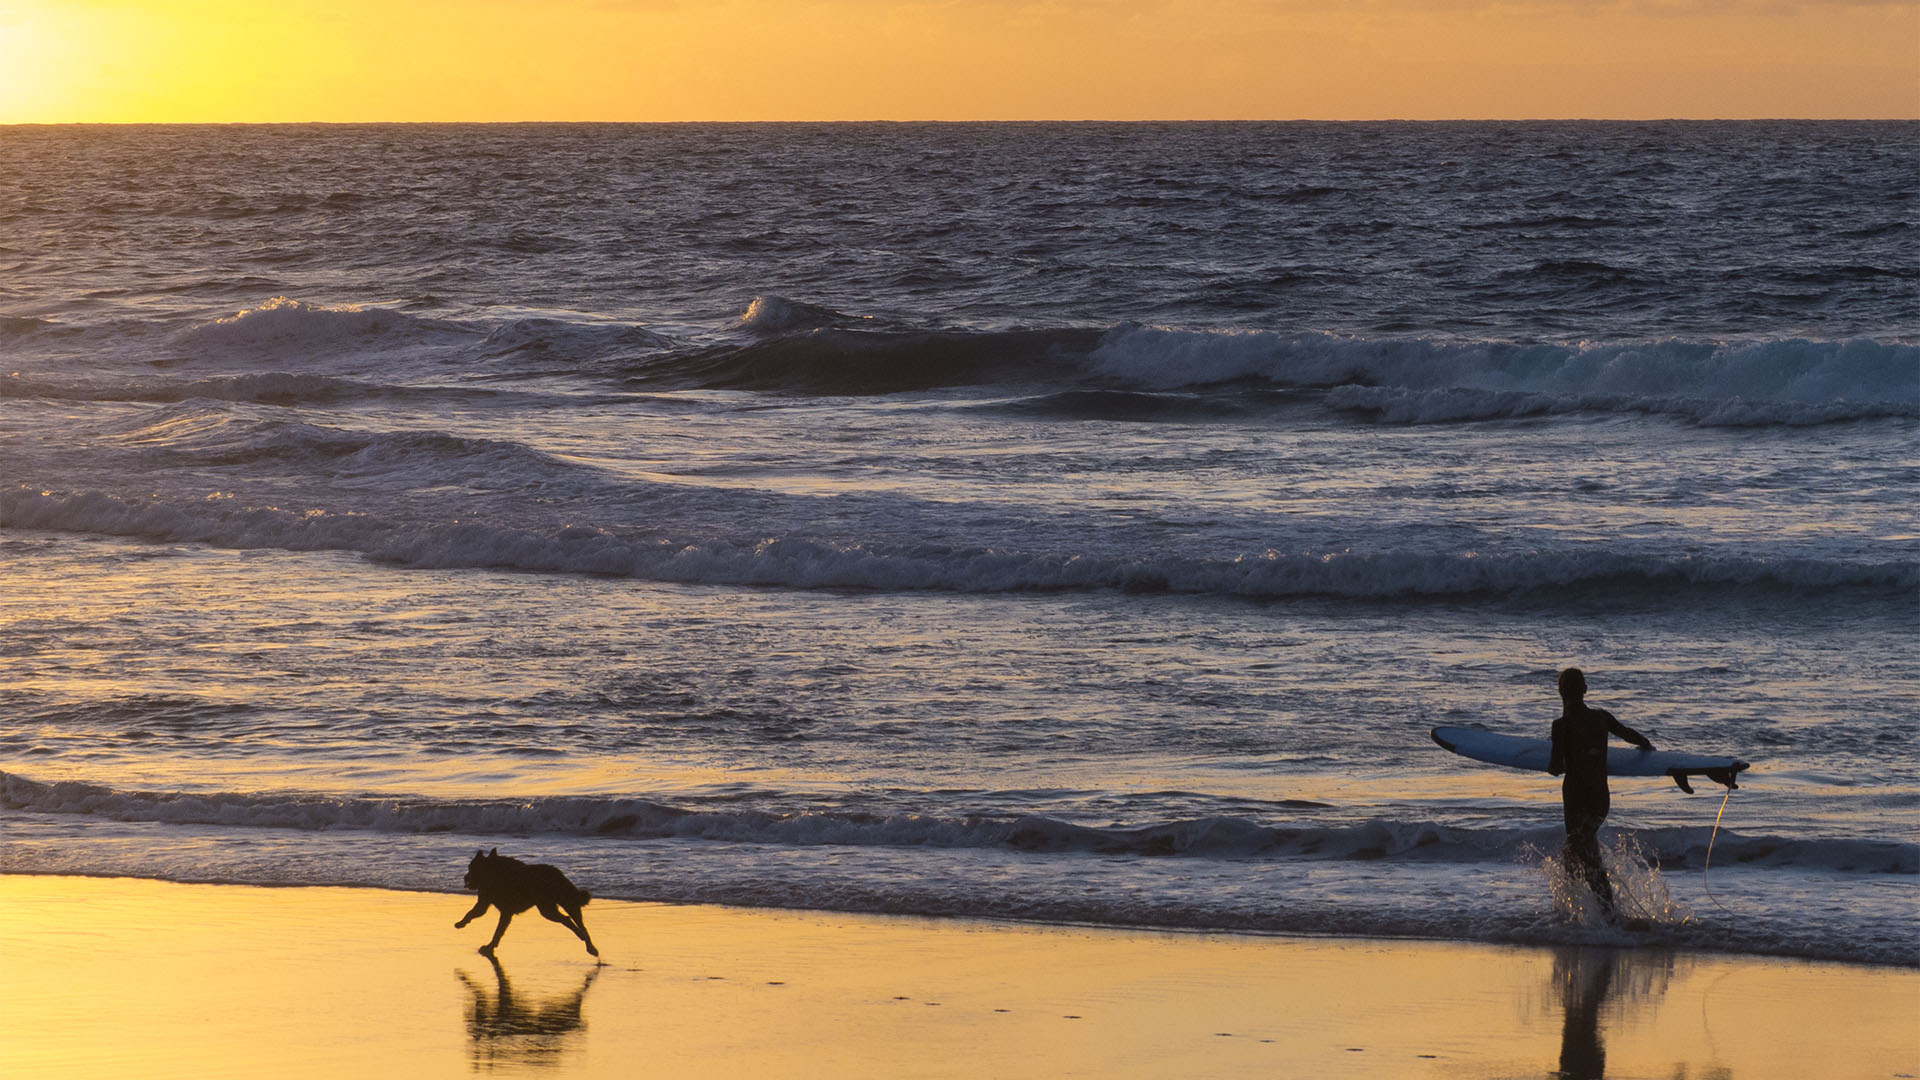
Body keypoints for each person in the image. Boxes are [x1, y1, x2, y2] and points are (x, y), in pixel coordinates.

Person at [1547, 667, 1652, 917]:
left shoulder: (1561, 725)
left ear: (1560, 691)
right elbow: (1630, 736)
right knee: (1575, 852)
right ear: (1585, 690)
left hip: (1575, 798)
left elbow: (1555, 767)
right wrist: (1647, 746)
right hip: (1599, 799)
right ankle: (1579, 916)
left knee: (1584, 855)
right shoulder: (1602, 718)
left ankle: (1606, 918)